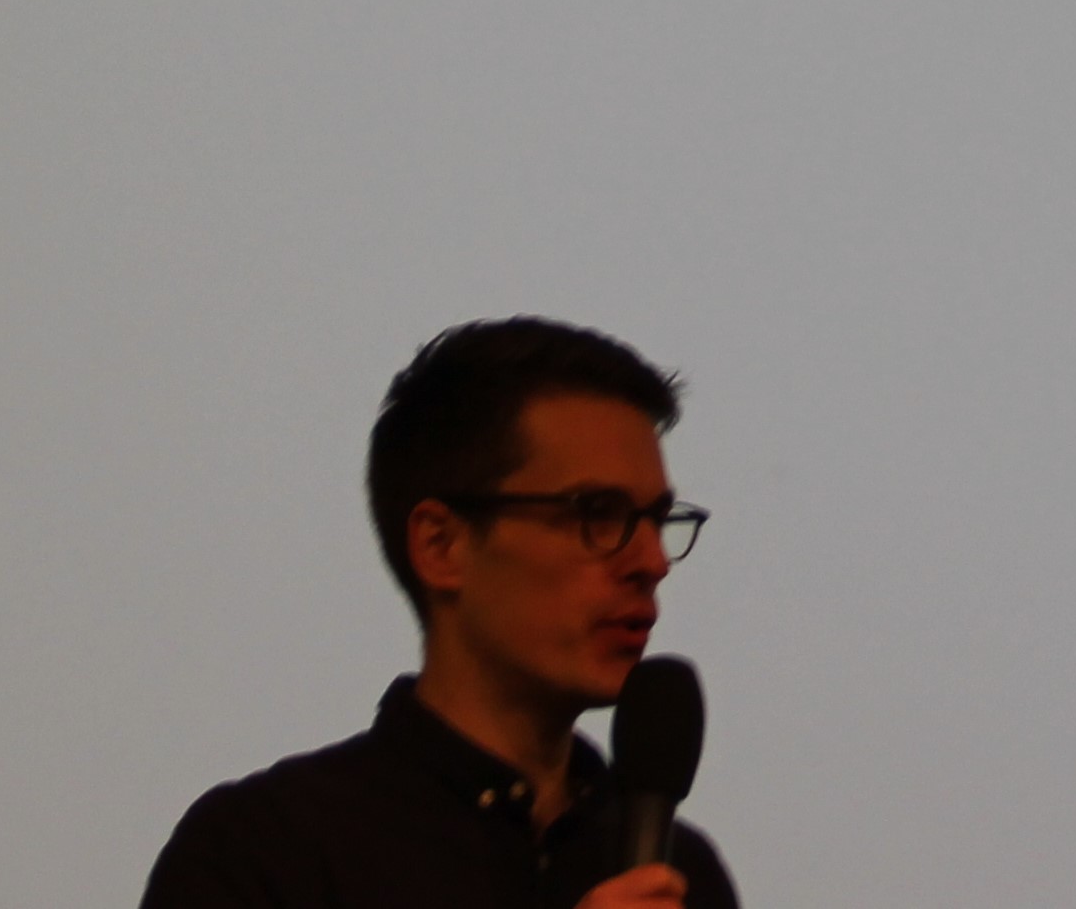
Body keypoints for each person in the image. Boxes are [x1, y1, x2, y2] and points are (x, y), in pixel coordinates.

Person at [140, 318, 741, 909]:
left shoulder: (678, 872)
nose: (651, 561)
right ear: (441, 545)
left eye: (657, 519)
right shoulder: (266, 850)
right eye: (598, 513)